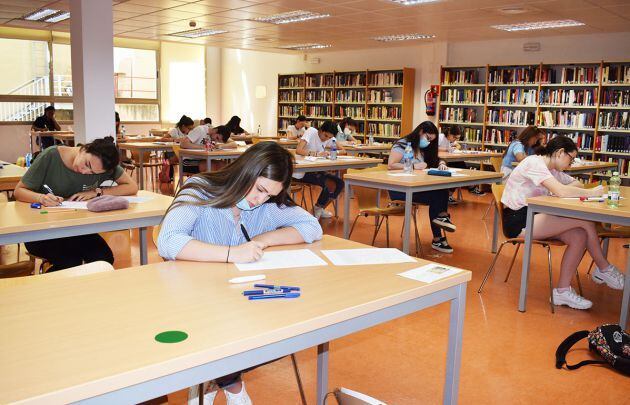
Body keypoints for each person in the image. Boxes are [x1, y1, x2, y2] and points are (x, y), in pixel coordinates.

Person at [157, 142, 322, 405]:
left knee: (278, 328)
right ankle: (232, 385)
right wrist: (233, 253)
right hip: (192, 300)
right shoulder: (199, 189)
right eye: (259, 189)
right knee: (225, 328)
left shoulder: (265, 206)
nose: (260, 199)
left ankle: (212, 381)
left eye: (269, 195)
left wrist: (263, 239)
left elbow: (312, 227)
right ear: (246, 171)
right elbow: (168, 241)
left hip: (238, 298)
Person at [501, 135, 624, 310]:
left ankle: (562, 292)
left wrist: (570, 188)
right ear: (560, 153)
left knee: (579, 235)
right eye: (571, 159)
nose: (571, 164)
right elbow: (561, 191)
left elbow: (576, 185)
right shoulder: (534, 163)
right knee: (584, 219)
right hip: (518, 220)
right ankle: (604, 268)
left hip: (537, 216)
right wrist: (592, 193)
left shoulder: (553, 171)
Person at [13, 136, 139, 272]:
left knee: (103, 258)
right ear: (84, 149)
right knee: (70, 263)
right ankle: (51, 291)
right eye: (87, 164)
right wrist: (41, 198)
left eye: (92, 173)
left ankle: (86, 291)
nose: (85, 171)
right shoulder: (51, 156)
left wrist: (97, 192)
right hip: (42, 231)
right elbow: (19, 191)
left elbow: (131, 186)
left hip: (77, 229)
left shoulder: (103, 165)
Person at [387, 121, 456, 253]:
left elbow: (435, 159)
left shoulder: (422, 148)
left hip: (415, 187)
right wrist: (413, 166)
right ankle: (439, 232)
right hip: (400, 189)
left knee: (441, 189)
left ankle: (441, 222)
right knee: (437, 195)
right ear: (421, 132)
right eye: (428, 138)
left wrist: (441, 163)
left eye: (431, 141)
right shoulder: (402, 144)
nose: (428, 142)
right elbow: (391, 165)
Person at [295, 121, 346, 219]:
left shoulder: (329, 137)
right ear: (321, 130)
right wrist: (316, 154)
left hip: (316, 170)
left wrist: (333, 152)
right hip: (302, 171)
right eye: (325, 136)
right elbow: (299, 150)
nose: (326, 139)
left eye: (329, 138)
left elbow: (343, 150)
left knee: (340, 183)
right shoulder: (311, 131)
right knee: (329, 184)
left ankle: (319, 208)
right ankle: (316, 211)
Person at [439, 125, 463, 205]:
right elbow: (433, 148)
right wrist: (447, 149)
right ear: (449, 133)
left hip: (445, 160)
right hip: (438, 160)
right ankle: (471, 187)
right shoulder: (441, 137)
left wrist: (453, 148)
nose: (455, 139)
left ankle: (449, 194)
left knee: (460, 164)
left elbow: (458, 145)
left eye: (457, 138)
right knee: (459, 166)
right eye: (455, 137)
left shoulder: (449, 140)